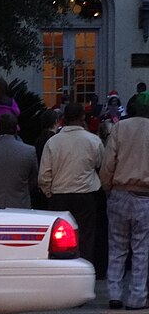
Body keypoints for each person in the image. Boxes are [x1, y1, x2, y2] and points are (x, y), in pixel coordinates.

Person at [98, 92, 149, 310]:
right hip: (145, 195)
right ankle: (137, 296)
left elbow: (109, 162)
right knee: (141, 249)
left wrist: (107, 186)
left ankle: (114, 293)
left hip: (119, 192)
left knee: (117, 247)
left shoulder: (119, 128)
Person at [38, 103, 104, 263]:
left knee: (59, 240)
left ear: (64, 118)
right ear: (82, 117)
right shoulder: (93, 141)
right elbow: (102, 165)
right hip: (85, 194)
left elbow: (44, 175)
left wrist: (49, 193)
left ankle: (63, 270)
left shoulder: (53, 142)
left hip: (59, 195)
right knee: (86, 238)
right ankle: (85, 269)